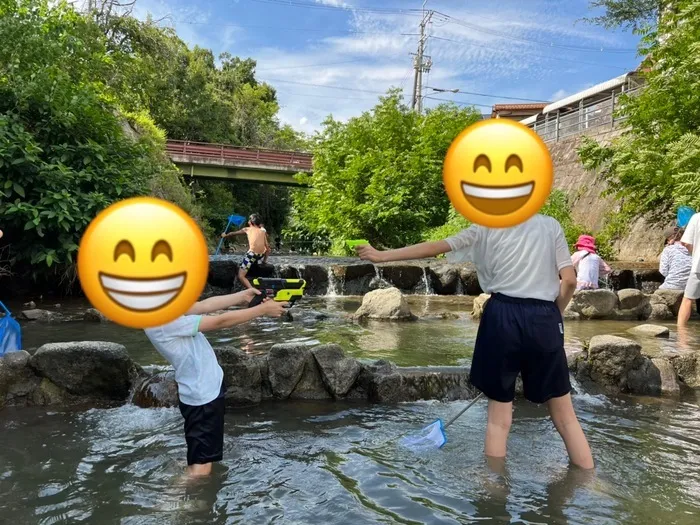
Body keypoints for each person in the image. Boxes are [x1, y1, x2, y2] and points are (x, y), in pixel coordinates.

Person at [356, 214, 594, 469]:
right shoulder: (550, 225)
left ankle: (494, 493)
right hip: (545, 317)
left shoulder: (486, 227)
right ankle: (589, 483)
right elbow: (569, 280)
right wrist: (554, 313)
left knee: (498, 420)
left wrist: (380, 255)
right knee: (566, 418)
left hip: (502, 315)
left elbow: (435, 247)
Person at [144, 288, 287, 477]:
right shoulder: (161, 321)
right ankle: (171, 503)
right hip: (203, 399)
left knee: (202, 457)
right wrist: (262, 311)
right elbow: (220, 321)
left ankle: (191, 466)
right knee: (201, 470)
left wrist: (242, 296)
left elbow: (205, 305)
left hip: (204, 392)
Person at [220, 213, 270, 289]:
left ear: (251, 222)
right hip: (260, 255)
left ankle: (251, 289)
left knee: (241, 276)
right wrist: (264, 261)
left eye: (249, 220)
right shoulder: (262, 231)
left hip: (252, 255)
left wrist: (225, 235)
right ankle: (261, 262)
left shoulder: (247, 229)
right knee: (261, 252)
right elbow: (268, 248)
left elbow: (234, 233)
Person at [679, 212, 700, 326]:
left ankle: (681, 336)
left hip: (698, 266)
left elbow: (685, 243)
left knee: (688, 299)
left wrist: (695, 253)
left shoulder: (696, 217)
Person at [659, 226, 692, 291]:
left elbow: (663, 271)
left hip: (672, 286)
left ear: (669, 239)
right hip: (692, 286)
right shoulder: (693, 249)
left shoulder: (668, 250)